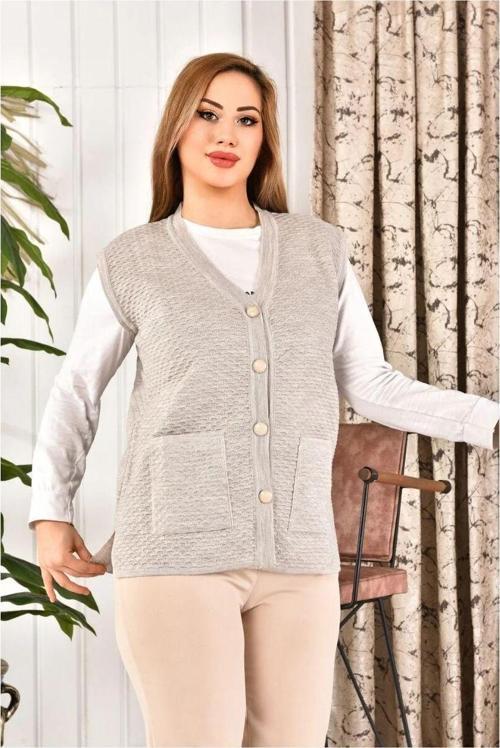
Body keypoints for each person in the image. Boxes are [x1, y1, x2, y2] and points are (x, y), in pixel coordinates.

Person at [29, 53, 499, 747]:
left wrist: (490, 420)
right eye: (208, 114)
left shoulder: (318, 251)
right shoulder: (134, 259)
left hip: (300, 551)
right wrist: (50, 512)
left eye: (246, 119)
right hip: (176, 551)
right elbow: (77, 391)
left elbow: (371, 383)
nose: (227, 134)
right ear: (177, 128)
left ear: (264, 138)